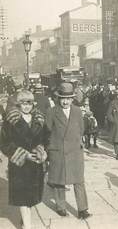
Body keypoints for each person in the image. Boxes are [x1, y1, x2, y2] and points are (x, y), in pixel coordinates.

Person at [0, 90, 48, 229]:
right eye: (23, 103)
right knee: (22, 198)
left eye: (29, 103)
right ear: (18, 104)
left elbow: (46, 138)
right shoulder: (11, 121)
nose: (26, 106)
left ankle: (25, 220)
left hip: (35, 164)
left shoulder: (39, 119)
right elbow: (4, 144)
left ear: (33, 104)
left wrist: (41, 151)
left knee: (31, 198)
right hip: (19, 165)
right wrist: (23, 154)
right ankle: (27, 226)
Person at [45, 82, 92, 219]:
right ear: (58, 98)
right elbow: (47, 131)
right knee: (59, 181)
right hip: (58, 150)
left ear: (72, 99)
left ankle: (82, 209)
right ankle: (61, 207)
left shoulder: (77, 111)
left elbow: (81, 129)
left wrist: (76, 142)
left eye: (68, 98)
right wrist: (50, 148)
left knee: (79, 181)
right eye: (62, 98)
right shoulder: (51, 112)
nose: (65, 101)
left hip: (74, 151)